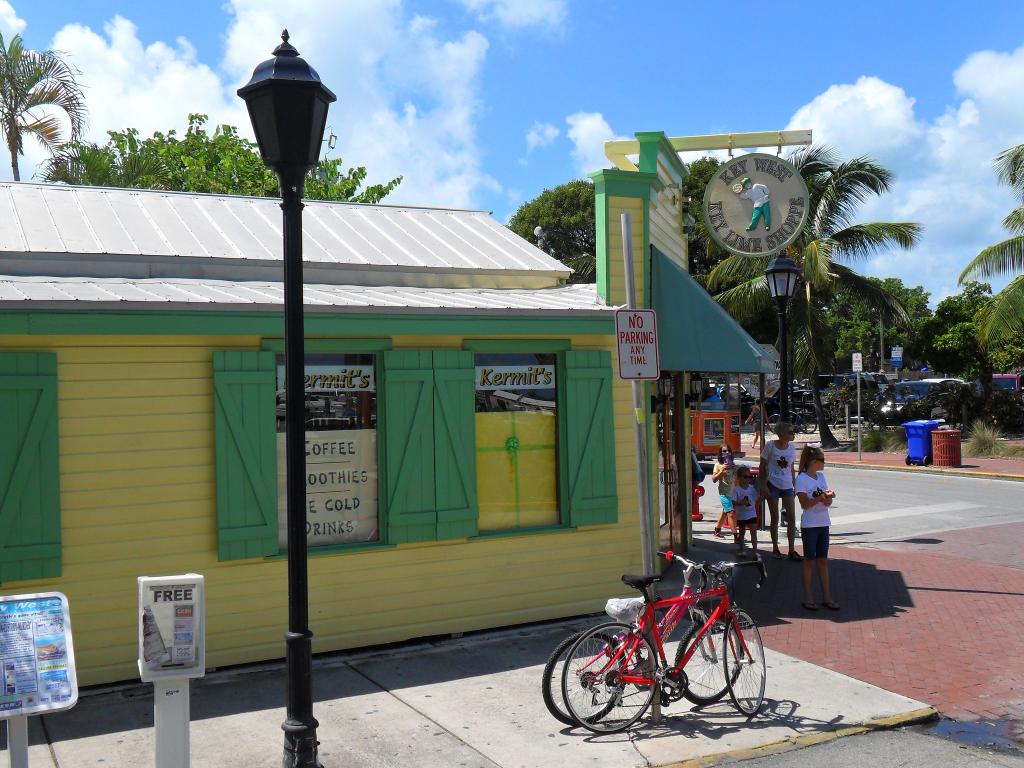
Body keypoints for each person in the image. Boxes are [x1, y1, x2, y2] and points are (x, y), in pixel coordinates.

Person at [795, 445, 839, 611]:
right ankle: (808, 597)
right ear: (814, 461)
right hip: (810, 525)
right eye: (822, 460)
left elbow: (827, 502)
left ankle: (827, 597)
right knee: (809, 561)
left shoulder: (821, 476)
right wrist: (820, 497)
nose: (824, 463)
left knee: (822, 561)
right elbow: (804, 504)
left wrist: (828, 498)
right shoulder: (801, 479)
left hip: (823, 522)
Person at [759, 422, 801, 561]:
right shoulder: (770, 446)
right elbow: (762, 465)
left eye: (793, 431)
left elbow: (791, 467)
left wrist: (795, 486)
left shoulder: (792, 448)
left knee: (792, 518)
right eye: (790, 432)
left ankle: (791, 550)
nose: (793, 434)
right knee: (775, 517)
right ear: (782, 433)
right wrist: (763, 484)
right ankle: (775, 548)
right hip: (772, 484)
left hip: (787, 485)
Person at [731, 465, 759, 557]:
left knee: (753, 532)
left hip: (751, 513)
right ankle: (742, 549)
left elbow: (757, 498)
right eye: (745, 476)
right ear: (739, 478)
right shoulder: (736, 490)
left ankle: (755, 551)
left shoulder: (752, 488)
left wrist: (764, 495)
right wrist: (740, 503)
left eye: (749, 477)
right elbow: (733, 502)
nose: (748, 479)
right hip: (742, 515)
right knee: (742, 533)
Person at [711, 446, 735, 538]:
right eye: (724, 451)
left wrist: (735, 468)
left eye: (729, 450)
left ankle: (717, 530)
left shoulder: (732, 464)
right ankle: (736, 536)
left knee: (725, 512)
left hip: (732, 492)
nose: (727, 452)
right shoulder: (718, 465)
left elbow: (735, 479)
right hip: (724, 493)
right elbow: (713, 479)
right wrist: (721, 471)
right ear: (721, 454)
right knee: (730, 513)